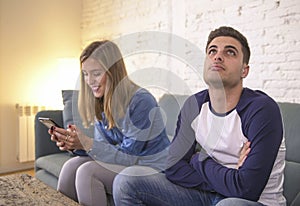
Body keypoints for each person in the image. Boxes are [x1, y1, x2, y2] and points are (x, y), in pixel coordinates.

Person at [113, 26, 286, 206]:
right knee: (127, 181)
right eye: (212, 51)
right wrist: (229, 177)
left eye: (230, 52)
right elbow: (173, 168)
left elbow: (247, 189)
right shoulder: (193, 106)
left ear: (245, 70)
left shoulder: (262, 110)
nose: (218, 56)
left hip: (253, 202)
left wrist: (198, 159)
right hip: (205, 195)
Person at [48, 40, 170, 206]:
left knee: (87, 172)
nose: (89, 80)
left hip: (152, 169)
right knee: (71, 166)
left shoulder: (141, 101)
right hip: (128, 163)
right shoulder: (102, 101)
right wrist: (76, 145)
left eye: (96, 73)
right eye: (85, 74)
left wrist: (88, 143)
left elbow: (129, 157)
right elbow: (104, 149)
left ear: (114, 72)